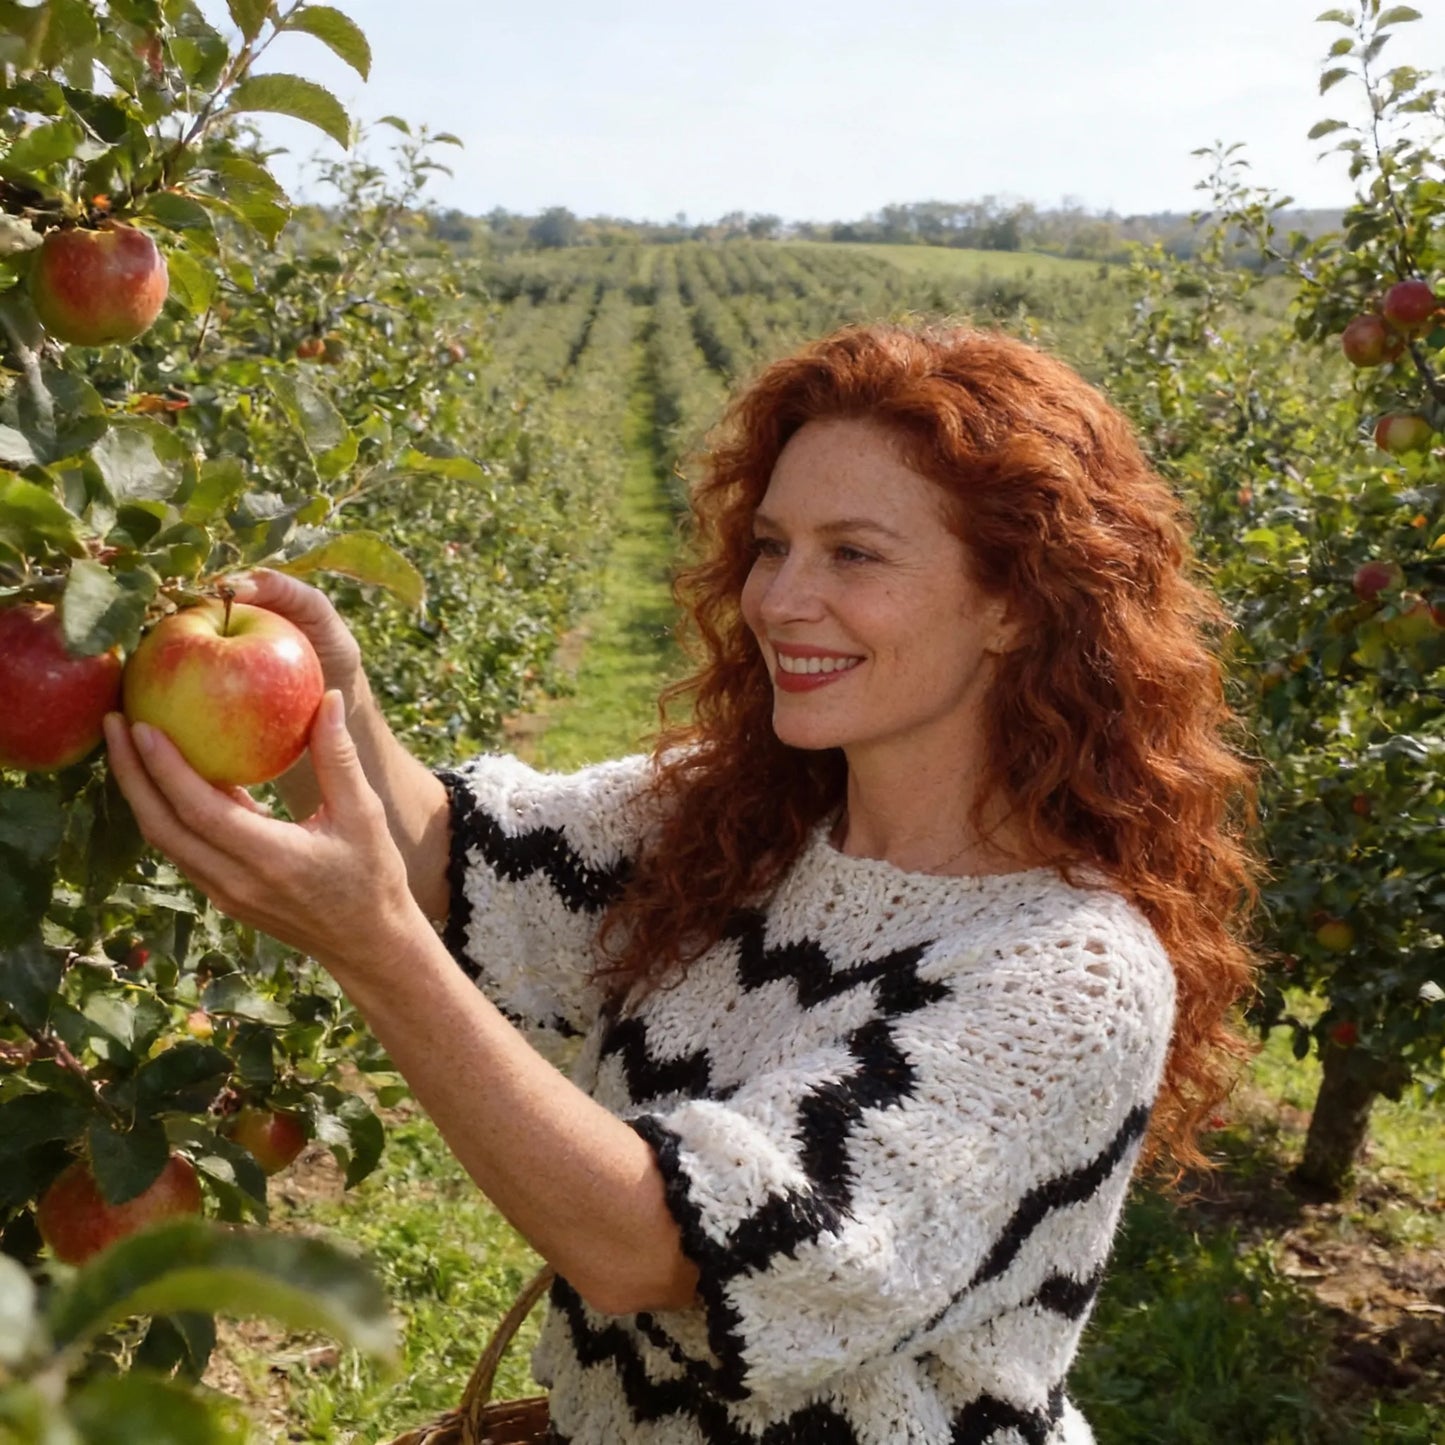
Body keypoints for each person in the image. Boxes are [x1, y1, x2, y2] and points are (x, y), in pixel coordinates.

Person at [105, 322, 1260, 1445]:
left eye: (852, 553)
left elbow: (660, 1250)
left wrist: (370, 945)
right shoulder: (745, 818)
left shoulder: (1063, 970)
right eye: (770, 543)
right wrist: (329, 700)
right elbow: (461, 861)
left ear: (1013, 602)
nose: (778, 598)